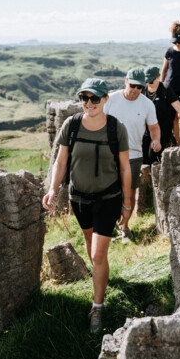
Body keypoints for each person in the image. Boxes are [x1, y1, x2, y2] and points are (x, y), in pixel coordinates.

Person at [42, 78, 132, 334]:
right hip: (79, 199)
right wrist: (52, 189)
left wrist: (127, 203)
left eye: (95, 98)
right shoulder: (71, 126)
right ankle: (99, 279)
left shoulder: (116, 129)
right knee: (92, 249)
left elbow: (125, 168)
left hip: (108, 199)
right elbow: (60, 162)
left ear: (105, 99)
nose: (89, 103)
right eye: (85, 98)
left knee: (97, 255)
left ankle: (97, 307)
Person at [103, 68, 160, 244]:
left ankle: (125, 228)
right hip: (109, 154)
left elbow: (154, 128)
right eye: (133, 85)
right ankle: (108, 227)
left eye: (140, 87)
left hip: (134, 155)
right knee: (109, 192)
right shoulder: (110, 100)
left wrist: (156, 140)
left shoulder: (147, 104)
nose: (135, 90)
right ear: (126, 81)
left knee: (130, 192)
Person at [141, 65, 180, 163]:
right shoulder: (142, 90)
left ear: (157, 77)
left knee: (152, 155)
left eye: (151, 81)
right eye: (146, 81)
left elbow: (178, 107)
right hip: (146, 130)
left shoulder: (165, 89)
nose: (148, 83)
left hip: (163, 129)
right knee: (143, 157)